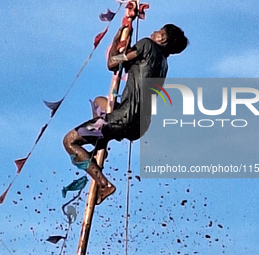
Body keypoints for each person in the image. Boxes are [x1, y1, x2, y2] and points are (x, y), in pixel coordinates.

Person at [63, 24, 188, 205]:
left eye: (158, 31)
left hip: (125, 116)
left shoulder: (146, 45)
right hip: (140, 125)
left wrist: (117, 39)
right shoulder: (163, 64)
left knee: (69, 141)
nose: (153, 32)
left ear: (163, 39)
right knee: (100, 102)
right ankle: (99, 146)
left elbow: (113, 63)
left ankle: (104, 184)